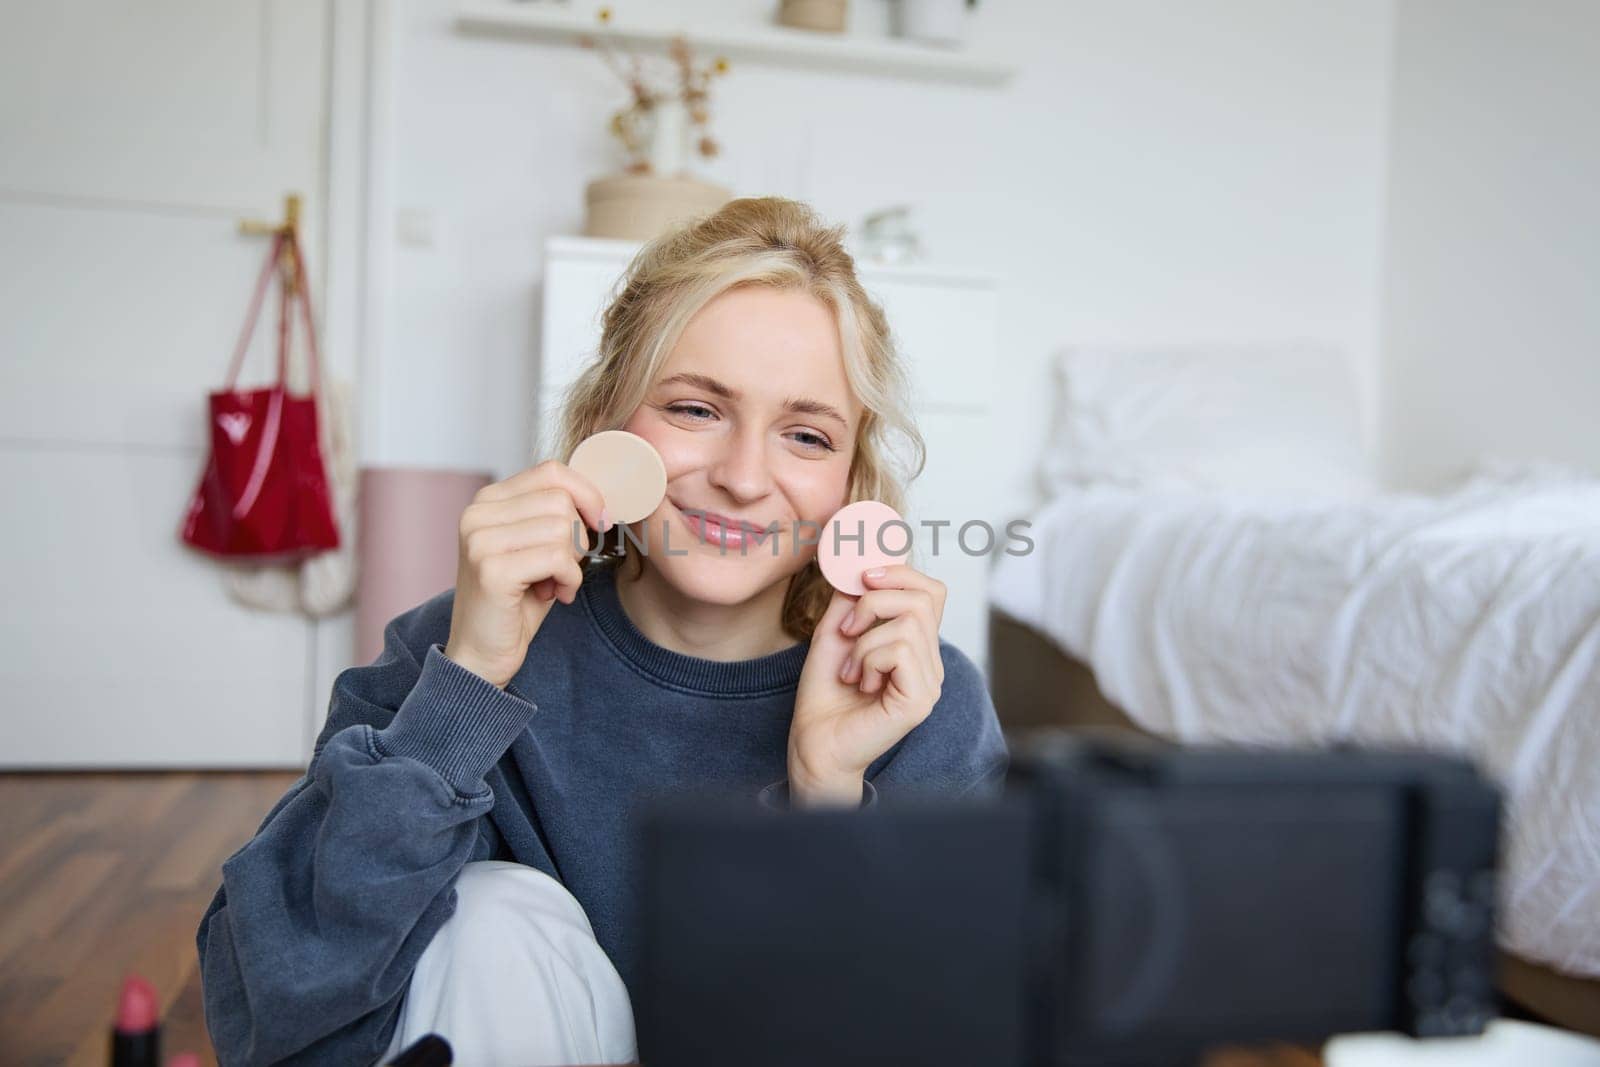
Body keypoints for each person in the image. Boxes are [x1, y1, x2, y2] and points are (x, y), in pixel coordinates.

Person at [196, 197, 1009, 1066]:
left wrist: (825, 796)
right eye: (697, 409)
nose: (741, 477)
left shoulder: (917, 698)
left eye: (805, 434)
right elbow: (270, 1007)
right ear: (606, 420)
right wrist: (462, 692)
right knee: (492, 913)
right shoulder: (455, 647)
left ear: (852, 481)